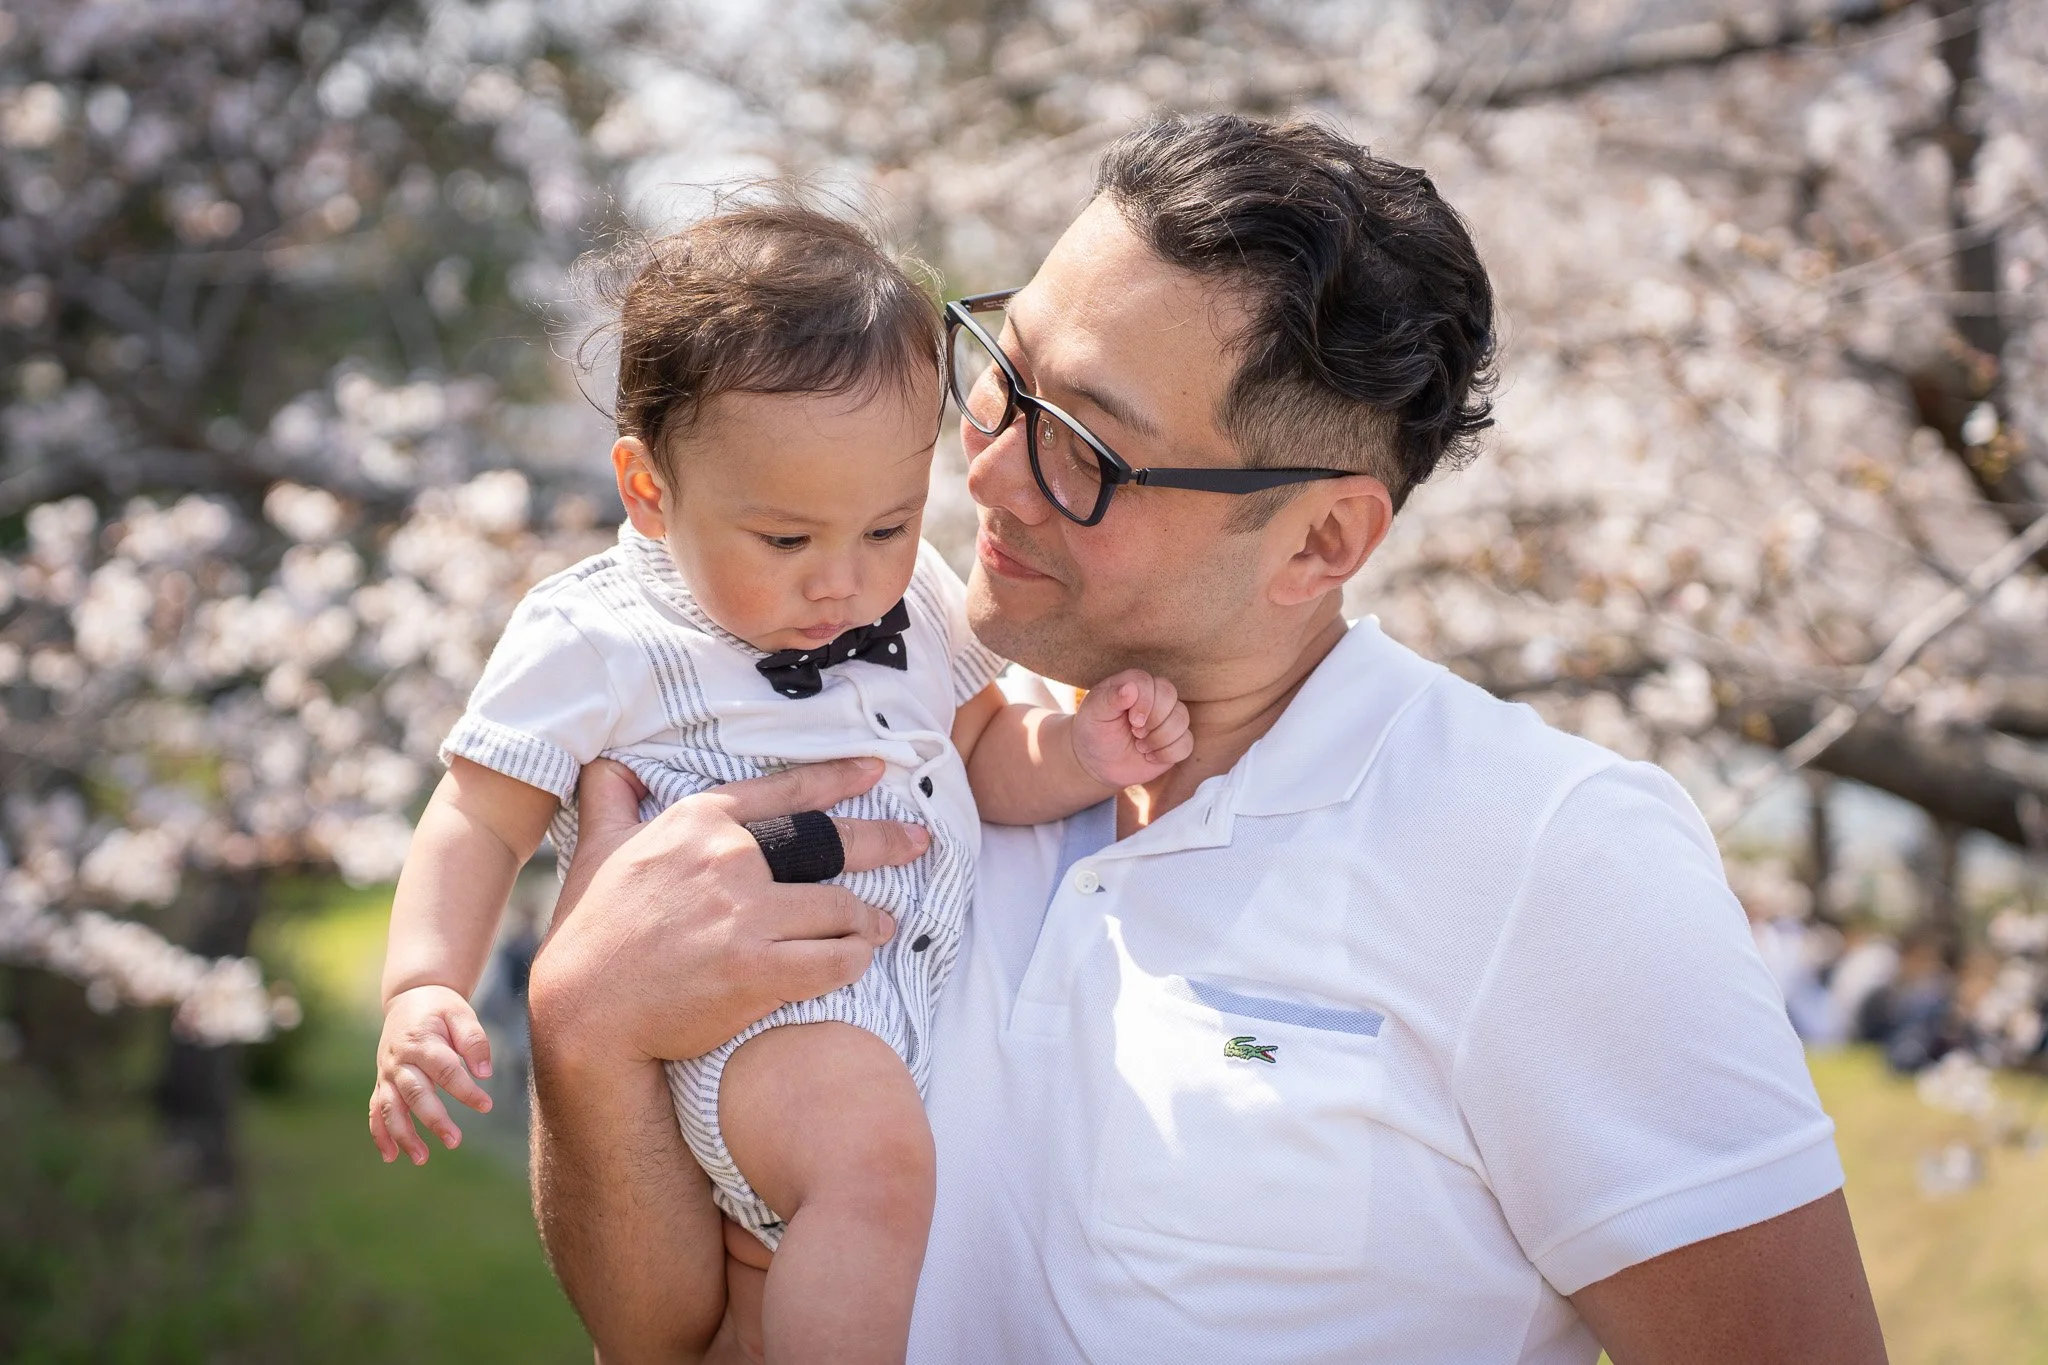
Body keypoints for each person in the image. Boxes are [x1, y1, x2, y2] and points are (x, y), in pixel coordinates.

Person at [528, 115, 1889, 1363]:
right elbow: (664, 1342)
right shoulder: (869, 745)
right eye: (1004, 375)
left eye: (1084, 446)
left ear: (1321, 539)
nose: (988, 467)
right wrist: (583, 1023)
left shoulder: (1556, 863)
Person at [366, 202, 1192, 1362]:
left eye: (887, 524)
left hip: (893, 1012)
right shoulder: (596, 635)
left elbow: (981, 757)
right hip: (751, 1013)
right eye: (786, 542)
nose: (842, 582)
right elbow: (473, 815)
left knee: (836, 1231)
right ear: (649, 492)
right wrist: (421, 988)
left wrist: (1083, 754)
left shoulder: (914, 604)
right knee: (875, 1171)